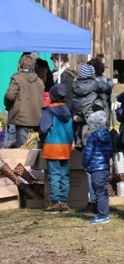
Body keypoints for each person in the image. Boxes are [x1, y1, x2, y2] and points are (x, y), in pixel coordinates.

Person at [39, 84, 74, 214]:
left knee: (54, 175)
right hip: (66, 147)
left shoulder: (49, 111)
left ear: (52, 96)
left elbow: (43, 128)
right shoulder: (69, 110)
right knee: (65, 175)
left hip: (52, 147)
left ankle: (54, 204)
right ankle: (64, 204)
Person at [4, 54, 44, 147]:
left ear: (20, 65)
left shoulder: (17, 78)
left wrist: (7, 104)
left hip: (22, 119)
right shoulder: (39, 80)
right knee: (33, 152)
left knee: (23, 153)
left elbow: (10, 96)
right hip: (37, 119)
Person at [82, 111, 112, 224]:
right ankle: (105, 213)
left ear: (93, 125)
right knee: (103, 192)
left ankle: (102, 215)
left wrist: (85, 164)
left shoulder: (93, 137)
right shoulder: (107, 135)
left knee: (98, 192)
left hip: (96, 168)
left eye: (89, 125)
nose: (88, 128)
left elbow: (87, 153)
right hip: (105, 167)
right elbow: (109, 152)